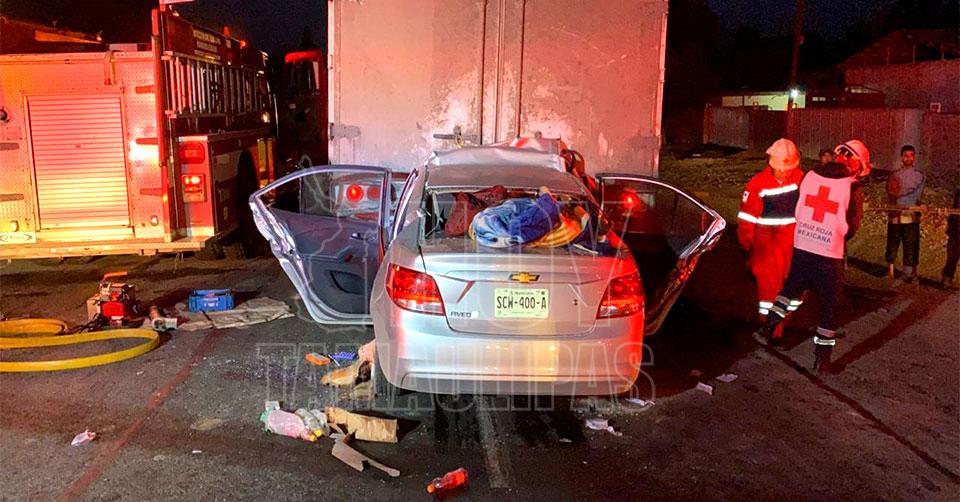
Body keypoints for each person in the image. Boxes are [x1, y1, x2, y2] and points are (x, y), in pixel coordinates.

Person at [756, 139, 868, 372]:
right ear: (856, 163)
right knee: (829, 307)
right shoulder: (852, 187)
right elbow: (851, 226)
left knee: (789, 290)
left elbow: (797, 205)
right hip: (829, 255)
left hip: (803, 247)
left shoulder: (811, 176)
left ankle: (766, 329)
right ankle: (821, 360)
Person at [737, 138, 804, 341]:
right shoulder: (757, 184)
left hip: (792, 241)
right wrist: (747, 243)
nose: (784, 172)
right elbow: (747, 218)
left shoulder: (801, 179)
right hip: (766, 242)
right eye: (781, 169)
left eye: (788, 169)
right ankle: (772, 325)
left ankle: (784, 319)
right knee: (769, 286)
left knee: (796, 284)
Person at [885, 145, 926, 284]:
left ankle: (910, 273)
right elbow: (891, 193)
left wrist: (921, 206)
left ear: (914, 157)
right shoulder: (894, 175)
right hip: (896, 214)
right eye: (906, 156)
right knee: (892, 243)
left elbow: (919, 197)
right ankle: (890, 271)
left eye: (911, 155)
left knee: (911, 245)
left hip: (911, 215)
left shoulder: (920, 176)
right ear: (902, 157)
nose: (908, 158)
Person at [942, 188, 960, 288]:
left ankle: (947, 277)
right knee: (953, 254)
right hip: (956, 229)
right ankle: (947, 277)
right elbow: (955, 208)